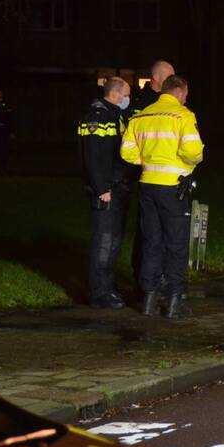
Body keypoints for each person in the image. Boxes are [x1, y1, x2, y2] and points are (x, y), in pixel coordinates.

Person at [120, 75, 204, 318]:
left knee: (151, 242)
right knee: (176, 245)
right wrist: (186, 164)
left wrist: (147, 162)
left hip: (147, 186)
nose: (186, 99)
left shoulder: (141, 116)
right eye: (185, 94)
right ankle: (174, 302)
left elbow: (126, 152)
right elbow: (193, 152)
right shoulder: (183, 116)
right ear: (178, 92)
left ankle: (149, 300)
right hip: (172, 188)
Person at [79, 77, 134, 309]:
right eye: (128, 94)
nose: (129, 99)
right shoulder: (98, 117)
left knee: (113, 240)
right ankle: (99, 293)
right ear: (117, 94)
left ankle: (108, 287)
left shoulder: (114, 115)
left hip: (117, 186)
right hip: (106, 190)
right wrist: (102, 188)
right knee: (104, 240)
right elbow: (94, 156)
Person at [127, 60, 176, 281]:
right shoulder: (139, 103)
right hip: (143, 175)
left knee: (163, 231)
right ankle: (143, 278)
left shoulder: (170, 104)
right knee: (146, 230)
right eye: (169, 77)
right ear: (157, 78)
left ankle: (158, 278)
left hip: (166, 178)